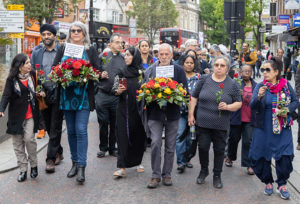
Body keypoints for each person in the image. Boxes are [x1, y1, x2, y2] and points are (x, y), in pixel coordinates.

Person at [52, 21, 107, 184]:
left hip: (83, 96)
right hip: (67, 96)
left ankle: (82, 166)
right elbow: (55, 68)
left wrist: (90, 73)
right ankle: (74, 163)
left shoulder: (90, 49)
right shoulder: (63, 47)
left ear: (84, 33)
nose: (75, 33)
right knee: (71, 131)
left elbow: (97, 69)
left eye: (78, 30)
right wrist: (62, 73)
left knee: (81, 130)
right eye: (72, 30)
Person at [188, 56, 242, 189]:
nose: (218, 67)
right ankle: (203, 170)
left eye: (222, 65)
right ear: (213, 66)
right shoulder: (204, 79)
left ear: (227, 68)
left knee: (219, 151)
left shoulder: (232, 83)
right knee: (203, 147)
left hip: (221, 124)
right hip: (203, 122)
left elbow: (239, 103)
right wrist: (191, 115)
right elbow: (194, 97)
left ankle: (217, 175)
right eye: (216, 64)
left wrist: (228, 107)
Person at [249, 57, 298, 200]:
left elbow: (295, 101)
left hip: (282, 127)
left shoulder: (286, 85)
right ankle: (268, 182)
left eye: (267, 70)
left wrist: (287, 110)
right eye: (263, 69)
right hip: (263, 127)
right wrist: (258, 97)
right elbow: (252, 106)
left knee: (285, 157)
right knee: (259, 156)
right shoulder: (260, 87)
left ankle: (282, 184)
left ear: (276, 72)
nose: (264, 72)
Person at [144, 43, 188, 189]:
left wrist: (174, 93)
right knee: (156, 143)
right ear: (157, 55)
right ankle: (155, 175)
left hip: (172, 113)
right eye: (161, 54)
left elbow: (185, 92)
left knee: (170, 145)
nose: (163, 57)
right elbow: (144, 90)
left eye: (166, 54)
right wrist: (152, 94)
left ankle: (167, 174)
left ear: (171, 55)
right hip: (155, 114)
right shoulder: (151, 70)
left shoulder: (179, 70)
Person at [0, 54, 43, 182]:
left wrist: (42, 92)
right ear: (19, 66)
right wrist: (1, 109)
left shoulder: (34, 76)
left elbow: (41, 87)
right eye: (27, 63)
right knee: (18, 144)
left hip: (30, 115)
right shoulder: (11, 79)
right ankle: (23, 169)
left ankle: (34, 166)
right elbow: (6, 95)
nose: (30, 65)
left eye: (29, 62)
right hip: (15, 117)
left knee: (29, 139)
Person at [30, 23, 64, 173]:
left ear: (54, 36)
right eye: (43, 35)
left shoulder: (62, 51)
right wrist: (37, 90)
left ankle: (50, 159)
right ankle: (59, 151)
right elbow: (33, 72)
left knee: (55, 125)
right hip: (43, 94)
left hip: (58, 92)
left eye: (48, 34)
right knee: (49, 127)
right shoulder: (37, 52)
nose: (46, 37)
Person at [111, 47, 147, 178]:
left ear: (135, 57)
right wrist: (118, 91)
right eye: (125, 55)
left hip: (138, 109)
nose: (125, 57)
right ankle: (122, 166)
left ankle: (138, 162)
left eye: (128, 55)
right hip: (123, 109)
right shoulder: (122, 73)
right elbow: (115, 89)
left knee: (138, 135)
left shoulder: (142, 73)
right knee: (122, 135)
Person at [95, 34, 126, 158]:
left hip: (116, 96)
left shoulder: (124, 58)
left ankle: (113, 148)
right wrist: (99, 75)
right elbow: (94, 73)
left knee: (115, 123)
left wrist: (122, 88)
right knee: (103, 122)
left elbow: (125, 76)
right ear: (110, 44)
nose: (120, 45)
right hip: (102, 94)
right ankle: (103, 148)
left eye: (121, 42)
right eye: (117, 42)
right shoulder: (102, 57)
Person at [225, 65, 257, 175]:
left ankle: (248, 164)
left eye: (249, 71)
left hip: (249, 118)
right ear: (240, 72)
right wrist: (237, 95)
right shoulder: (236, 84)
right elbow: (228, 98)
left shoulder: (256, 85)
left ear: (252, 72)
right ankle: (230, 156)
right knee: (234, 139)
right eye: (245, 71)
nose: (247, 73)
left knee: (248, 141)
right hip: (237, 117)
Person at [176, 54, 200, 174]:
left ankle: (186, 159)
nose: (189, 65)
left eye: (191, 63)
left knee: (191, 138)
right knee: (180, 135)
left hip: (194, 113)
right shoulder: (178, 77)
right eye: (187, 62)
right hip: (180, 112)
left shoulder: (199, 77)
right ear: (183, 63)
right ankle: (180, 162)